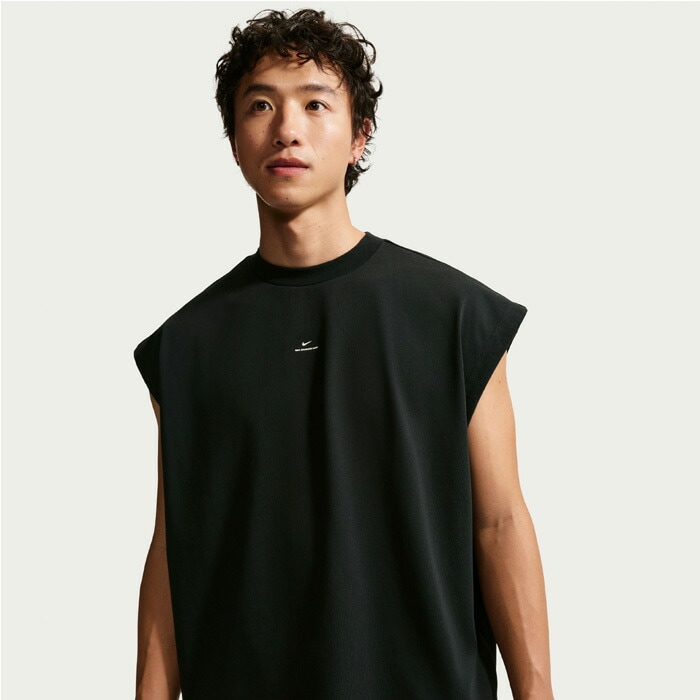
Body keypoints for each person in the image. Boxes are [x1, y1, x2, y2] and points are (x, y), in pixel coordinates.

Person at [133, 8, 554, 699]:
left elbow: (499, 522)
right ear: (234, 141)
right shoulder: (185, 346)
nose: (286, 129)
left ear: (360, 135)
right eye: (260, 105)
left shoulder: (453, 315)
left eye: (315, 104)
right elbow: (176, 545)